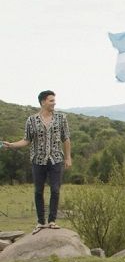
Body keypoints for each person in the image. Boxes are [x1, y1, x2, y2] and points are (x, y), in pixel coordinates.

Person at [2, 90, 72, 232]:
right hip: (38, 160)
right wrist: (11, 145)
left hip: (56, 159)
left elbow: (66, 138)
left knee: (55, 189)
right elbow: (26, 140)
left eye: (54, 100)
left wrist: (68, 157)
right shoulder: (31, 120)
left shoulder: (61, 118)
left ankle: (52, 221)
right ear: (43, 102)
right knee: (38, 191)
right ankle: (41, 222)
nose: (54, 103)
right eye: (51, 100)